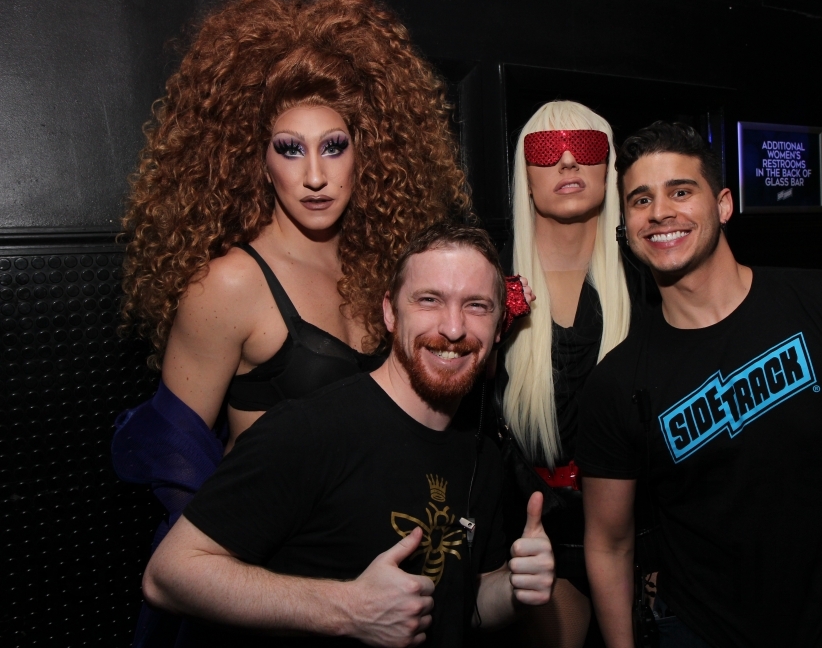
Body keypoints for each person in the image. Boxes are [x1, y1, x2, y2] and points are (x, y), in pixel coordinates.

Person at [111, 0, 469, 644]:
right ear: (256, 157)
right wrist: (233, 576)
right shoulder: (231, 283)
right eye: (289, 148)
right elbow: (176, 460)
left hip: (377, 574)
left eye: (333, 146)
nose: (314, 176)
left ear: (367, 151)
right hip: (277, 594)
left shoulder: (384, 269)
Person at [578, 122, 822, 648]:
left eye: (681, 191)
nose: (659, 213)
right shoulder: (616, 382)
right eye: (641, 200)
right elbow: (609, 545)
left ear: (723, 205)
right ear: (626, 225)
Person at [141, 222, 556, 647]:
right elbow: (168, 575)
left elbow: (467, 607)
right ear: (390, 312)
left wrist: (514, 588)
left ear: (498, 328)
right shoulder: (308, 431)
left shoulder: (483, 456)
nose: (453, 328)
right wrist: (348, 609)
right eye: (429, 300)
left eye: (477, 306)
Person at [495, 101, 638, 648]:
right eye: (546, 150)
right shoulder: (489, 283)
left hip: (641, 529)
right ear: (525, 175)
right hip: (530, 533)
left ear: (609, 167)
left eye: (585, 146)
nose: (569, 160)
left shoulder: (649, 283)